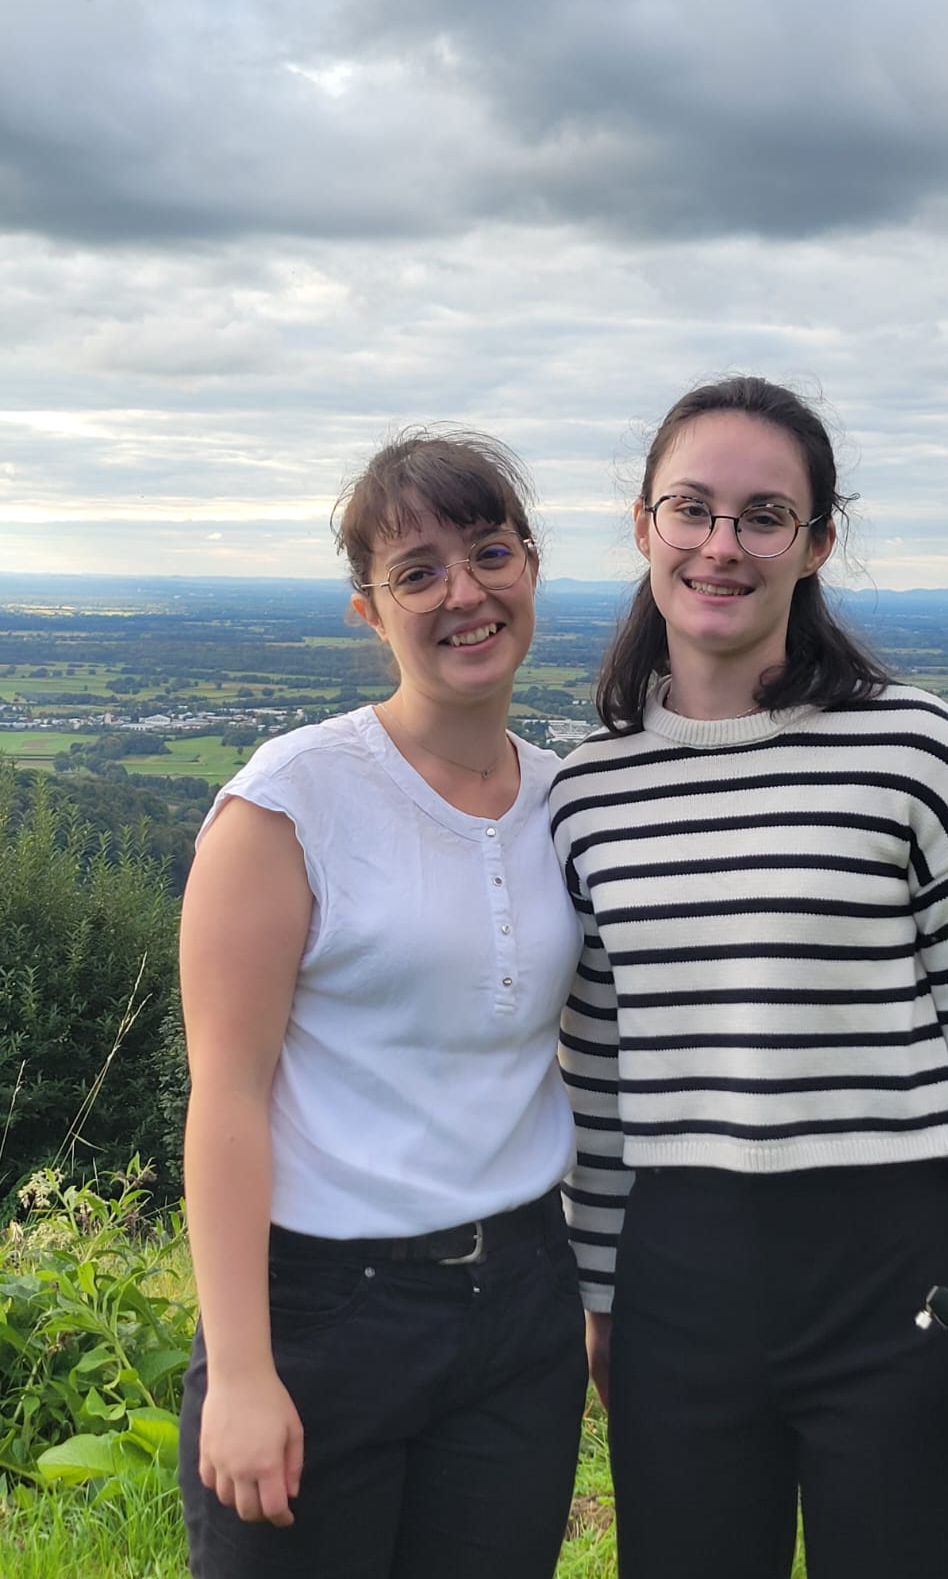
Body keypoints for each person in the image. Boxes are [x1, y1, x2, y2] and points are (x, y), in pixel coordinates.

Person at [549, 377, 948, 1579]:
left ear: (817, 543)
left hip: (902, 1281)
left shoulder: (916, 750)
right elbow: (595, 1078)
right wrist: (598, 1295)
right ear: (644, 525)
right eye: (690, 509)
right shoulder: (583, 793)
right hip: (675, 1286)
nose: (721, 545)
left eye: (765, 516)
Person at [177, 429, 587, 1579]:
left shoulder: (569, 801)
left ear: (532, 568)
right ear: (370, 609)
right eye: (417, 572)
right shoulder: (288, 804)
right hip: (321, 1310)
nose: (465, 592)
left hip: (520, 1301)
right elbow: (226, 1098)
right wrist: (244, 1373)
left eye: (491, 552)